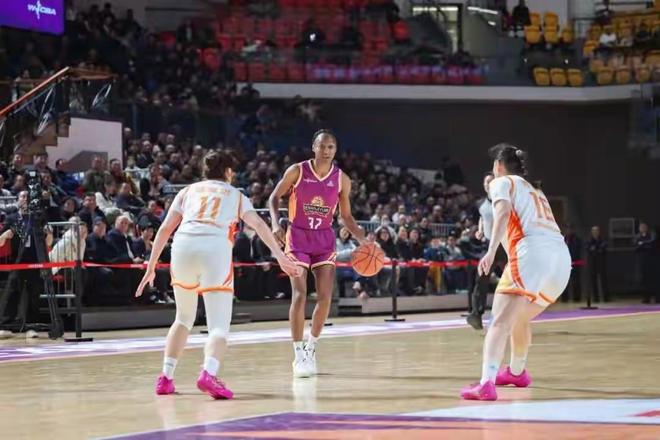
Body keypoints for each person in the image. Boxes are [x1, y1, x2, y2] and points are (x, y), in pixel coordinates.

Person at [136, 151, 302, 399]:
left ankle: (166, 377)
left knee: (183, 318)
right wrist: (280, 256)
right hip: (214, 248)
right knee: (219, 326)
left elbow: (165, 229)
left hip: (182, 247)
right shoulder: (235, 195)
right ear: (228, 172)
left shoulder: (187, 191)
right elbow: (258, 224)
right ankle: (209, 373)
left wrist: (151, 267)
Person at [461, 144, 571, 401]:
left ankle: (486, 383)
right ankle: (517, 372)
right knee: (519, 317)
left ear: (499, 166)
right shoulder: (534, 190)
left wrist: (490, 251)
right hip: (560, 262)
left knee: (499, 321)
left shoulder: (502, 182)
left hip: (531, 254)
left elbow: (502, 214)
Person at [268, 129, 366, 378]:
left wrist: (364, 240)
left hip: (324, 239)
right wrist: (276, 223)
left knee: (325, 297)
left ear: (335, 150)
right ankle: (298, 353)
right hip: (297, 237)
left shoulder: (342, 179)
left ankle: (311, 348)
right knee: (300, 294)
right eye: (322, 146)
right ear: (314, 147)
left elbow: (346, 217)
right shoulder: (297, 171)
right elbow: (274, 198)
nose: (326, 151)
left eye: (331, 147)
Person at [467, 173, 494, 330]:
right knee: (481, 278)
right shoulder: (480, 204)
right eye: (486, 182)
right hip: (488, 245)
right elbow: (482, 218)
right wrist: (480, 230)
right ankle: (476, 314)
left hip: (505, 245)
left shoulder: (504, 201)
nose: (487, 184)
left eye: (490, 181)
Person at [634, 222, 657, 304]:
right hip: (642, 261)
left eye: (644, 227)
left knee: (653, 279)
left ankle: (656, 297)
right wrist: (643, 245)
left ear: (647, 228)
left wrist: (643, 243)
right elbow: (636, 246)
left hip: (651, 260)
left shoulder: (651, 235)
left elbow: (652, 243)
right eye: (641, 227)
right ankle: (646, 297)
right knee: (644, 280)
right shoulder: (637, 236)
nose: (643, 228)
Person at [587, 225, 609, 302]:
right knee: (594, 280)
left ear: (599, 232)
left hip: (601, 262)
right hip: (592, 262)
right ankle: (596, 298)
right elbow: (588, 249)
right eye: (593, 231)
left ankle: (606, 297)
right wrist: (597, 248)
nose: (595, 232)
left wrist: (595, 248)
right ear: (591, 232)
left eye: (596, 231)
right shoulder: (589, 240)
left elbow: (603, 248)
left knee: (603, 280)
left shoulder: (602, 239)